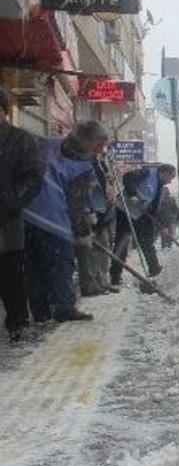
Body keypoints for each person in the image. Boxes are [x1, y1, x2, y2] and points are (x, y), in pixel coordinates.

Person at [23, 121, 110, 322]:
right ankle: (64, 308)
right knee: (62, 263)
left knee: (36, 266)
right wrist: (83, 232)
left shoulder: (47, 143)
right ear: (87, 141)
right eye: (98, 144)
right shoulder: (83, 167)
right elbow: (75, 204)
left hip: (27, 213)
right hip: (53, 220)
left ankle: (41, 311)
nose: (100, 150)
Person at [0, 88, 45, 341]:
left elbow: (33, 177)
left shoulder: (20, 140)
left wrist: (12, 200)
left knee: (10, 276)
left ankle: (17, 322)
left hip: (6, 221)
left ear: (4, 111)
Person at [110, 163, 177, 287]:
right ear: (164, 173)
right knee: (122, 242)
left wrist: (160, 226)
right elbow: (128, 178)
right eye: (171, 177)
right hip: (125, 211)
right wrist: (133, 195)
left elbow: (155, 208)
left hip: (142, 214)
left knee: (147, 242)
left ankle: (154, 270)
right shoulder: (146, 172)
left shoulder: (161, 188)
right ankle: (115, 275)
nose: (170, 181)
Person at [76, 156, 116, 296]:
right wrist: (86, 211)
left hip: (102, 212)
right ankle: (89, 285)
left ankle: (102, 282)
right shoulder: (83, 162)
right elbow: (82, 190)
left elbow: (105, 186)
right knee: (87, 250)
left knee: (103, 248)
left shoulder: (101, 163)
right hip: (87, 212)